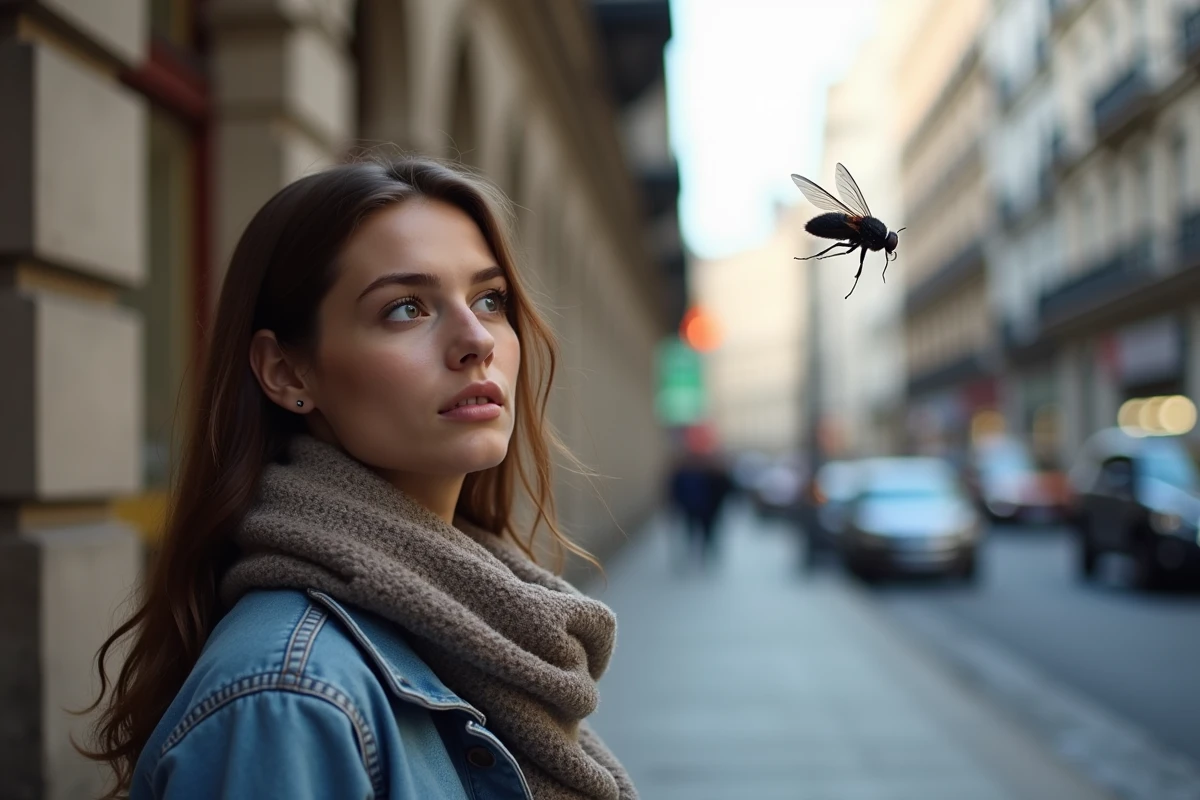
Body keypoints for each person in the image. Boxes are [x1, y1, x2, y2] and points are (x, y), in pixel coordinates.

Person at [80, 156, 638, 800]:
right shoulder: (287, 701)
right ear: (287, 373)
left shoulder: (480, 629)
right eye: (405, 308)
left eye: (489, 300)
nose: (476, 340)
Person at [667, 448, 734, 569]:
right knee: (692, 529)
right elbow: (675, 491)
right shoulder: (683, 474)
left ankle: (705, 552)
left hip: (708, 509)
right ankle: (694, 551)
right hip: (691, 508)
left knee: (707, 531)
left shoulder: (712, 474)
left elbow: (725, 489)